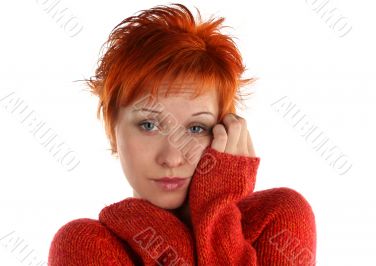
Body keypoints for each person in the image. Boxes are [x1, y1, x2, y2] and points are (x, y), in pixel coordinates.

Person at [48, 3, 317, 265]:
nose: (172, 157)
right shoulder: (83, 245)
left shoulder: (278, 217)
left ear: (227, 134)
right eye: (149, 125)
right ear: (111, 131)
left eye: (196, 128)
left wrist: (216, 210)